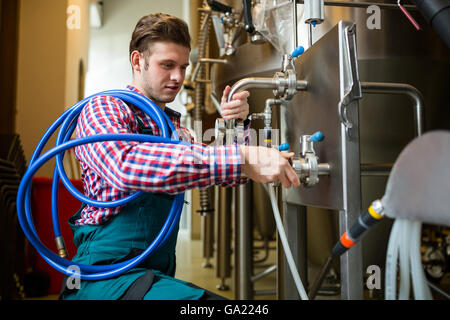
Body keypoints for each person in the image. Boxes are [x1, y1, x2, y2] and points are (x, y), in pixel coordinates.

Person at [59, 13, 299, 300]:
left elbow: (225, 176)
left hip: (151, 274)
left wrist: (234, 126)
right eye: (167, 65)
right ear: (137, 61)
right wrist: (242, 156)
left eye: (183, 67)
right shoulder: (105, 108)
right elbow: (126, 166)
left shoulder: (176, 131)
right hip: (107, 275)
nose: (178, 77)